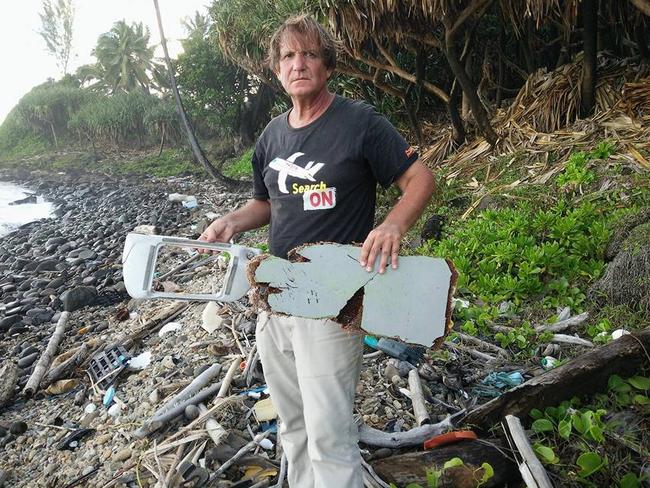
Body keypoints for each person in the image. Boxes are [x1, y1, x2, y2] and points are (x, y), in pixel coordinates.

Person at [199, 14, 436, 488]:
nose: (298, 63)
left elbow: (420, 178)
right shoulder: (271, 137)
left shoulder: (359, 122)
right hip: (275, 295)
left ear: (327, 66)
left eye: (309, 54)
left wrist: (393, 224)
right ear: (277, 71)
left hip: (333, 297)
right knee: (293, 426)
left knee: (329, 432)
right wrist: (232, 220)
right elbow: (265, 203)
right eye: (288, 56)